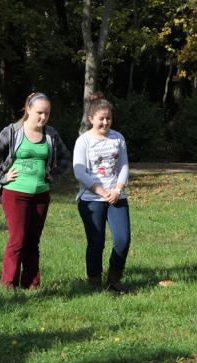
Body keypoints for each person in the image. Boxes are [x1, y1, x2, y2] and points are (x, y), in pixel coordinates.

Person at [0, 92, 70, 289]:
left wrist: (54, 177)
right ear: (28, 110)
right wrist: (2, 176)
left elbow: (66, 158)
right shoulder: (12, 131)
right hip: (15, 194)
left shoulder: (50, 134)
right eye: (39, 112)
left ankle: (31, 284)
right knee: (18, 240)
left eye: (47, 113)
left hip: (41, 195)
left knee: (33, 241)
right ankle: (8, 284)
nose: (43, 117)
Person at [73, 93, 131, 294]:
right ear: (91, 119)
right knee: (96, 242)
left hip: (117, 198)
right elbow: (79, 171)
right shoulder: (84, 141)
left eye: (108, 118)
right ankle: (95, 280)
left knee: (123, 240)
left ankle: (114, 278)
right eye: (101, 119)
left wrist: (117, 190)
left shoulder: (118, 138)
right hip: (91, 199)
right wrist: (101, 191)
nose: (105, 122)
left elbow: (123, 165)